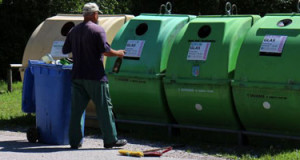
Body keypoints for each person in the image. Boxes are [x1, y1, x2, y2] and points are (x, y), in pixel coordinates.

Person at [62, 2, 127, 149]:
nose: (98, 16)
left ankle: (74, 141)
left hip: (77, 75)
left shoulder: (74, 31)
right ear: (94, 14)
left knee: (77, 111)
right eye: (98, 13)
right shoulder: (98, 30)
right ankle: (110, 140)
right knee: (104, 108)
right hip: (95, 77)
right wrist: (119, 53)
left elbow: (66, 49)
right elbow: (106, 51)